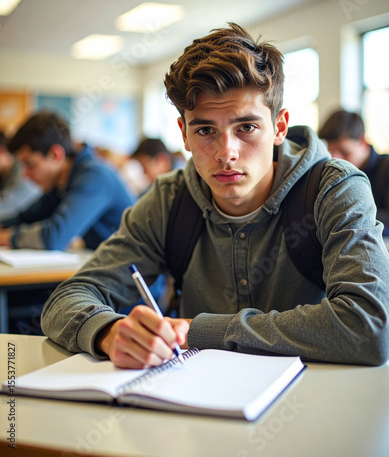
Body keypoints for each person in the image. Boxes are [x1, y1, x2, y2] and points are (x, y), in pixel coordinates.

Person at [41, 23, 389, 370]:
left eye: (246, 127)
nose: (226, 153)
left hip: (319, 404)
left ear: (279, 127)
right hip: (194, 407)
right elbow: (66, 299)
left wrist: (200, 331)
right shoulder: (170, 199)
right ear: (183, 134)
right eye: (206, 130)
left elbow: (370, 327)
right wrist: (108, 331)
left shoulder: (334, 188)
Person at [0, 111, 136, 250]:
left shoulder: (94, 176)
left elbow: (54, 237)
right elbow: (25, 217)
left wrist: (6, 238)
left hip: (134, 269)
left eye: (30, 165)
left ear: (55, 155)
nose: (25, 175)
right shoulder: (60, 183)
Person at [318, 109, 389, 235]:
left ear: (363, 142)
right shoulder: (330, 175)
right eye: (331, 152)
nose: (336, 159)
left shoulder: (386, 168)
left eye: (344, 152)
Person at [0, 131, 42, 221]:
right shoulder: (5, 173)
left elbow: (3, 210)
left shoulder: (24, 171)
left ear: (1, 151)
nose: (27, 174)